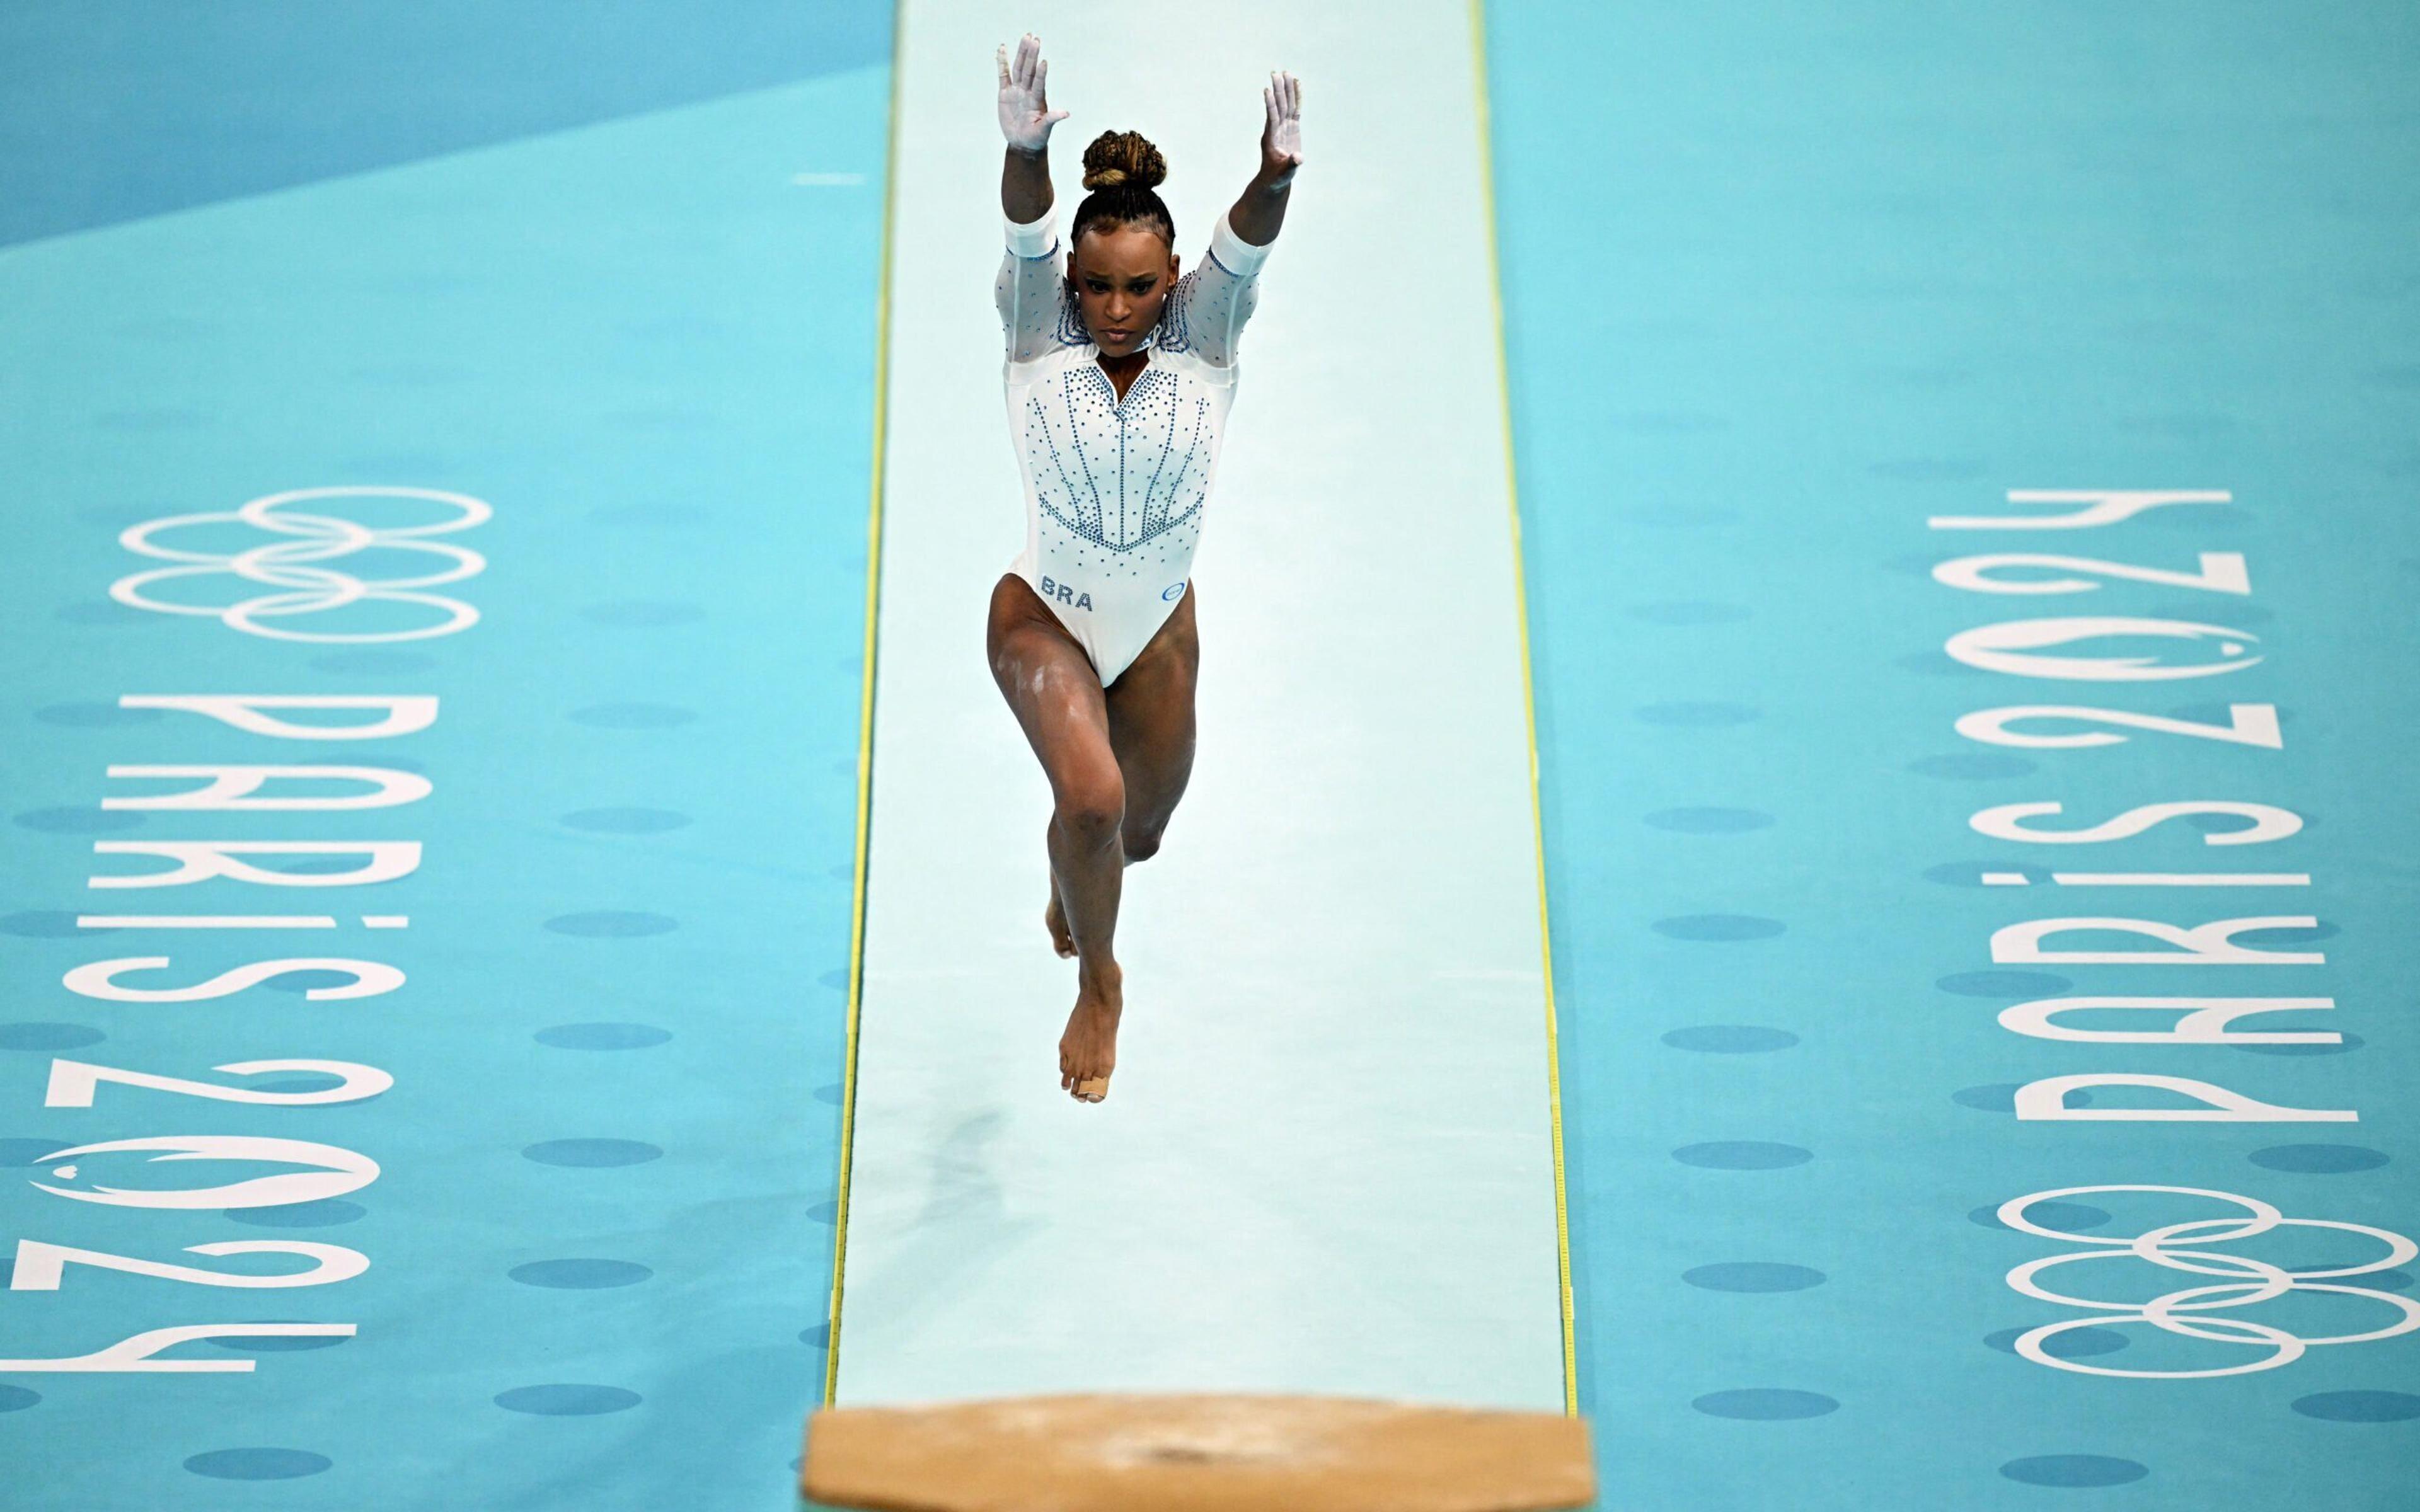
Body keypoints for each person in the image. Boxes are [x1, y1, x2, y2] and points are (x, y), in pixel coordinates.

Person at [987, 33, 1301, 1103]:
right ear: (1075, 281)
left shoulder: (1202, 342)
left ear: (1171, 283)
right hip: (1045, 619)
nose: (1117, 311)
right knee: (1091, 805)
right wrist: (1024, 151)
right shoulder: (1042, 330)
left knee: (1140, 835)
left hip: (1159, 632)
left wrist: (1275, 176)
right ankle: (1102, 986)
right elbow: (1025, 226)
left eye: (1139, 289)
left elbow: (1243, 249)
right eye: (1100, 288)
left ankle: (1073, 894)